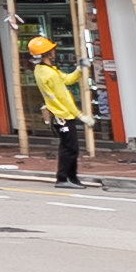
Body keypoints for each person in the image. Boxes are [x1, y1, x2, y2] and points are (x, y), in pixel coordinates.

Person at [28, 35, 87, 186]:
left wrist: (79, 70)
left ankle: (71, 178)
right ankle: (64, 178)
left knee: (69, 147)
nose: (54, 52)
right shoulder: (49, 74)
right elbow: (64, 97)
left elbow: (68, 79)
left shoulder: (43, 70)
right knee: (70, 148)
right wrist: (79, 115)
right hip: (62, 115)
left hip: (59, 115)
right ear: (47, 54)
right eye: (52, 50)